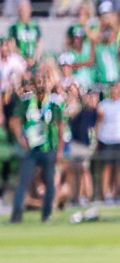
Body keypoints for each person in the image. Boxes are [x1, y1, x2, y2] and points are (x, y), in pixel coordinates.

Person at [9, 70, 65, 223]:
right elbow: (14, 121)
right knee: (23, 182)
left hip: (48, 148)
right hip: (31, 149)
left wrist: (59, 150)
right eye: (38, 82)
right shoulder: (26, 102)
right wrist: (20, 138)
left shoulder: (53, 103)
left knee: (49, 183)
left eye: (43, 81)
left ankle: (46, 216)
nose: (41, 85)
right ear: (33, 85)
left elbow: (60, 127)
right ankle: (16, 216)